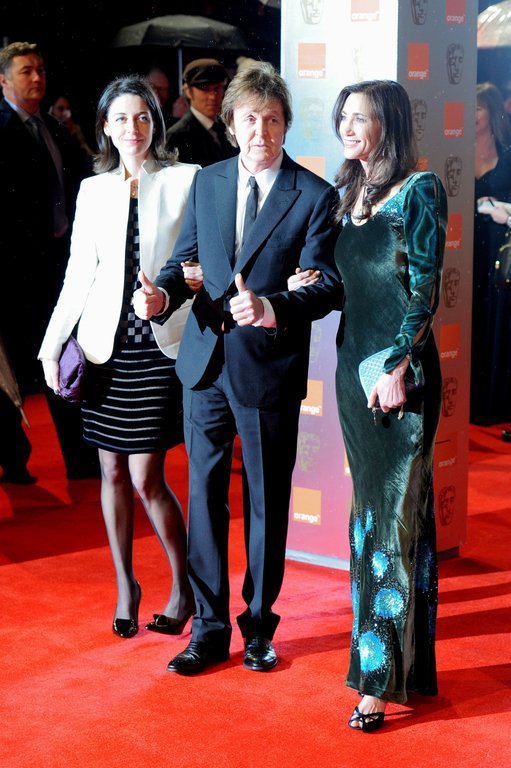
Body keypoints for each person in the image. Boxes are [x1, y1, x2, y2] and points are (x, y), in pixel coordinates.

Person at [133, 62, 341, 675]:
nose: (262, 132)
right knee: (203, 498)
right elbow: (186, 261)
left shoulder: (313, 195)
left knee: (266, 502)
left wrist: (271, 307)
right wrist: (162, 296)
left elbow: (326, 286)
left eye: (273, 120)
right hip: (205, 363)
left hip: (268, 367)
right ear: (231, 125)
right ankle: (208, 628)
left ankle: (258, 627)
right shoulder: (211, 181)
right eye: (250, 119)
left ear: (286, 126)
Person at [38, 75, 199, 638]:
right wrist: (52, 345)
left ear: (156, 122)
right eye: (122, 118)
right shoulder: (92, 189)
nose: (133, 128)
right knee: (109, 469)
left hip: (158, 346)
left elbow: (197, 263)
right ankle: (126, 585)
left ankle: (184, 586)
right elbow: (78, 275)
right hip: (103, 349)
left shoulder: (185, 180)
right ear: (105, 126)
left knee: (146, 475)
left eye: (143, 116)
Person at [327, 79, 446, 730]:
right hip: (352, 375)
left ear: (389, 125)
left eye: (361, 118)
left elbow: (423, 293)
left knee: (393, 525)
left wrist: (397, 365)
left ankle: (376, 680)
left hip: (399, 377)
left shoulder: (419, 190)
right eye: (343, 117)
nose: (348, 128)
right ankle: (411, 667)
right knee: (376, 523)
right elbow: (346, 285)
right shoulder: (348, 193)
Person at [0, 41, 98, 482]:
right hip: (13, 271)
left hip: (58, 265)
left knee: (61, 354)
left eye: (40, 69)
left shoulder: (56, 129)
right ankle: (13, 459)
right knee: (11, 368)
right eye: (26, 71)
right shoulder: (2, 129)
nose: (37, 78)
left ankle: (79, 460)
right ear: (4, 80)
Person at [472, 82, 511, 426]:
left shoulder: (507, 155)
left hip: (497, 250)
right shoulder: (453, 152)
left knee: (495, 321)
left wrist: (503, 211)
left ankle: (493, 404)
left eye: (479, 108)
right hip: (464, 248)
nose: (472, 115)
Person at [165, 58, 238, 167]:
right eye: (205, 89)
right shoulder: (177, 136)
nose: (213, 96)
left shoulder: (226, 126)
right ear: (189, 92)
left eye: (217, 88)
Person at [48, 92, 94, 168]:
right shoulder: (48, 134)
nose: (67, 114)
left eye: (68, 109)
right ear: (51, 110)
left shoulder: (75, 130)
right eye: (60, 109)